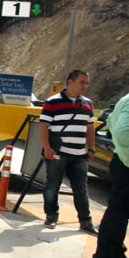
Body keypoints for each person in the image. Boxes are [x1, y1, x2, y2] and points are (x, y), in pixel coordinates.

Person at [39, 70, 97, 234]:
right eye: (82, 82)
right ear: (70, 82)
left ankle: (85, 221)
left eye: (87, 83)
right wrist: (47, 148)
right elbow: (44, 126)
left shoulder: (88, 104)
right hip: (59, 153)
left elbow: (90, 128)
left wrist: (91, 147)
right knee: (52, 186)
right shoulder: (52, 102)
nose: (85, 86)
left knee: (81, 189)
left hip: (79, 155)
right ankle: (51, 216)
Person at [90, 85, 129, 258]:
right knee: (117, 212)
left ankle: (116, 252)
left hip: (125, 162)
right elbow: (122, 131)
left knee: (123, 212)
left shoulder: (128, 99)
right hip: (127, 164)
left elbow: (110, 119)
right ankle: (102, 257)